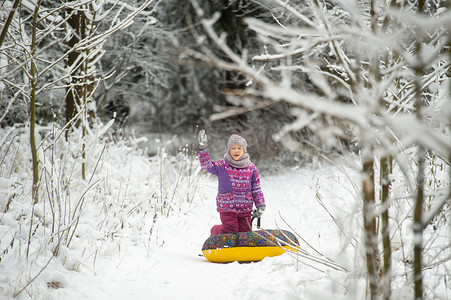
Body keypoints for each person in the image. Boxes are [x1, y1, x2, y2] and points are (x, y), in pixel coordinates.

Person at [197, 130, 266, 236]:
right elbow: (206, 165)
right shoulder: (223, 165)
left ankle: (241, 251)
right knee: (231, 232)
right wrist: (203, 149)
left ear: (244, 150)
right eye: (233, 148)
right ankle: (216, 230)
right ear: (229, 150)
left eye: (239, 148)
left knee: (245, 233)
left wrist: (260, 205)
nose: (236, 151)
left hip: (245, 208)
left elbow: (256, 188)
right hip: (227, 207)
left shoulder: (251, 168)